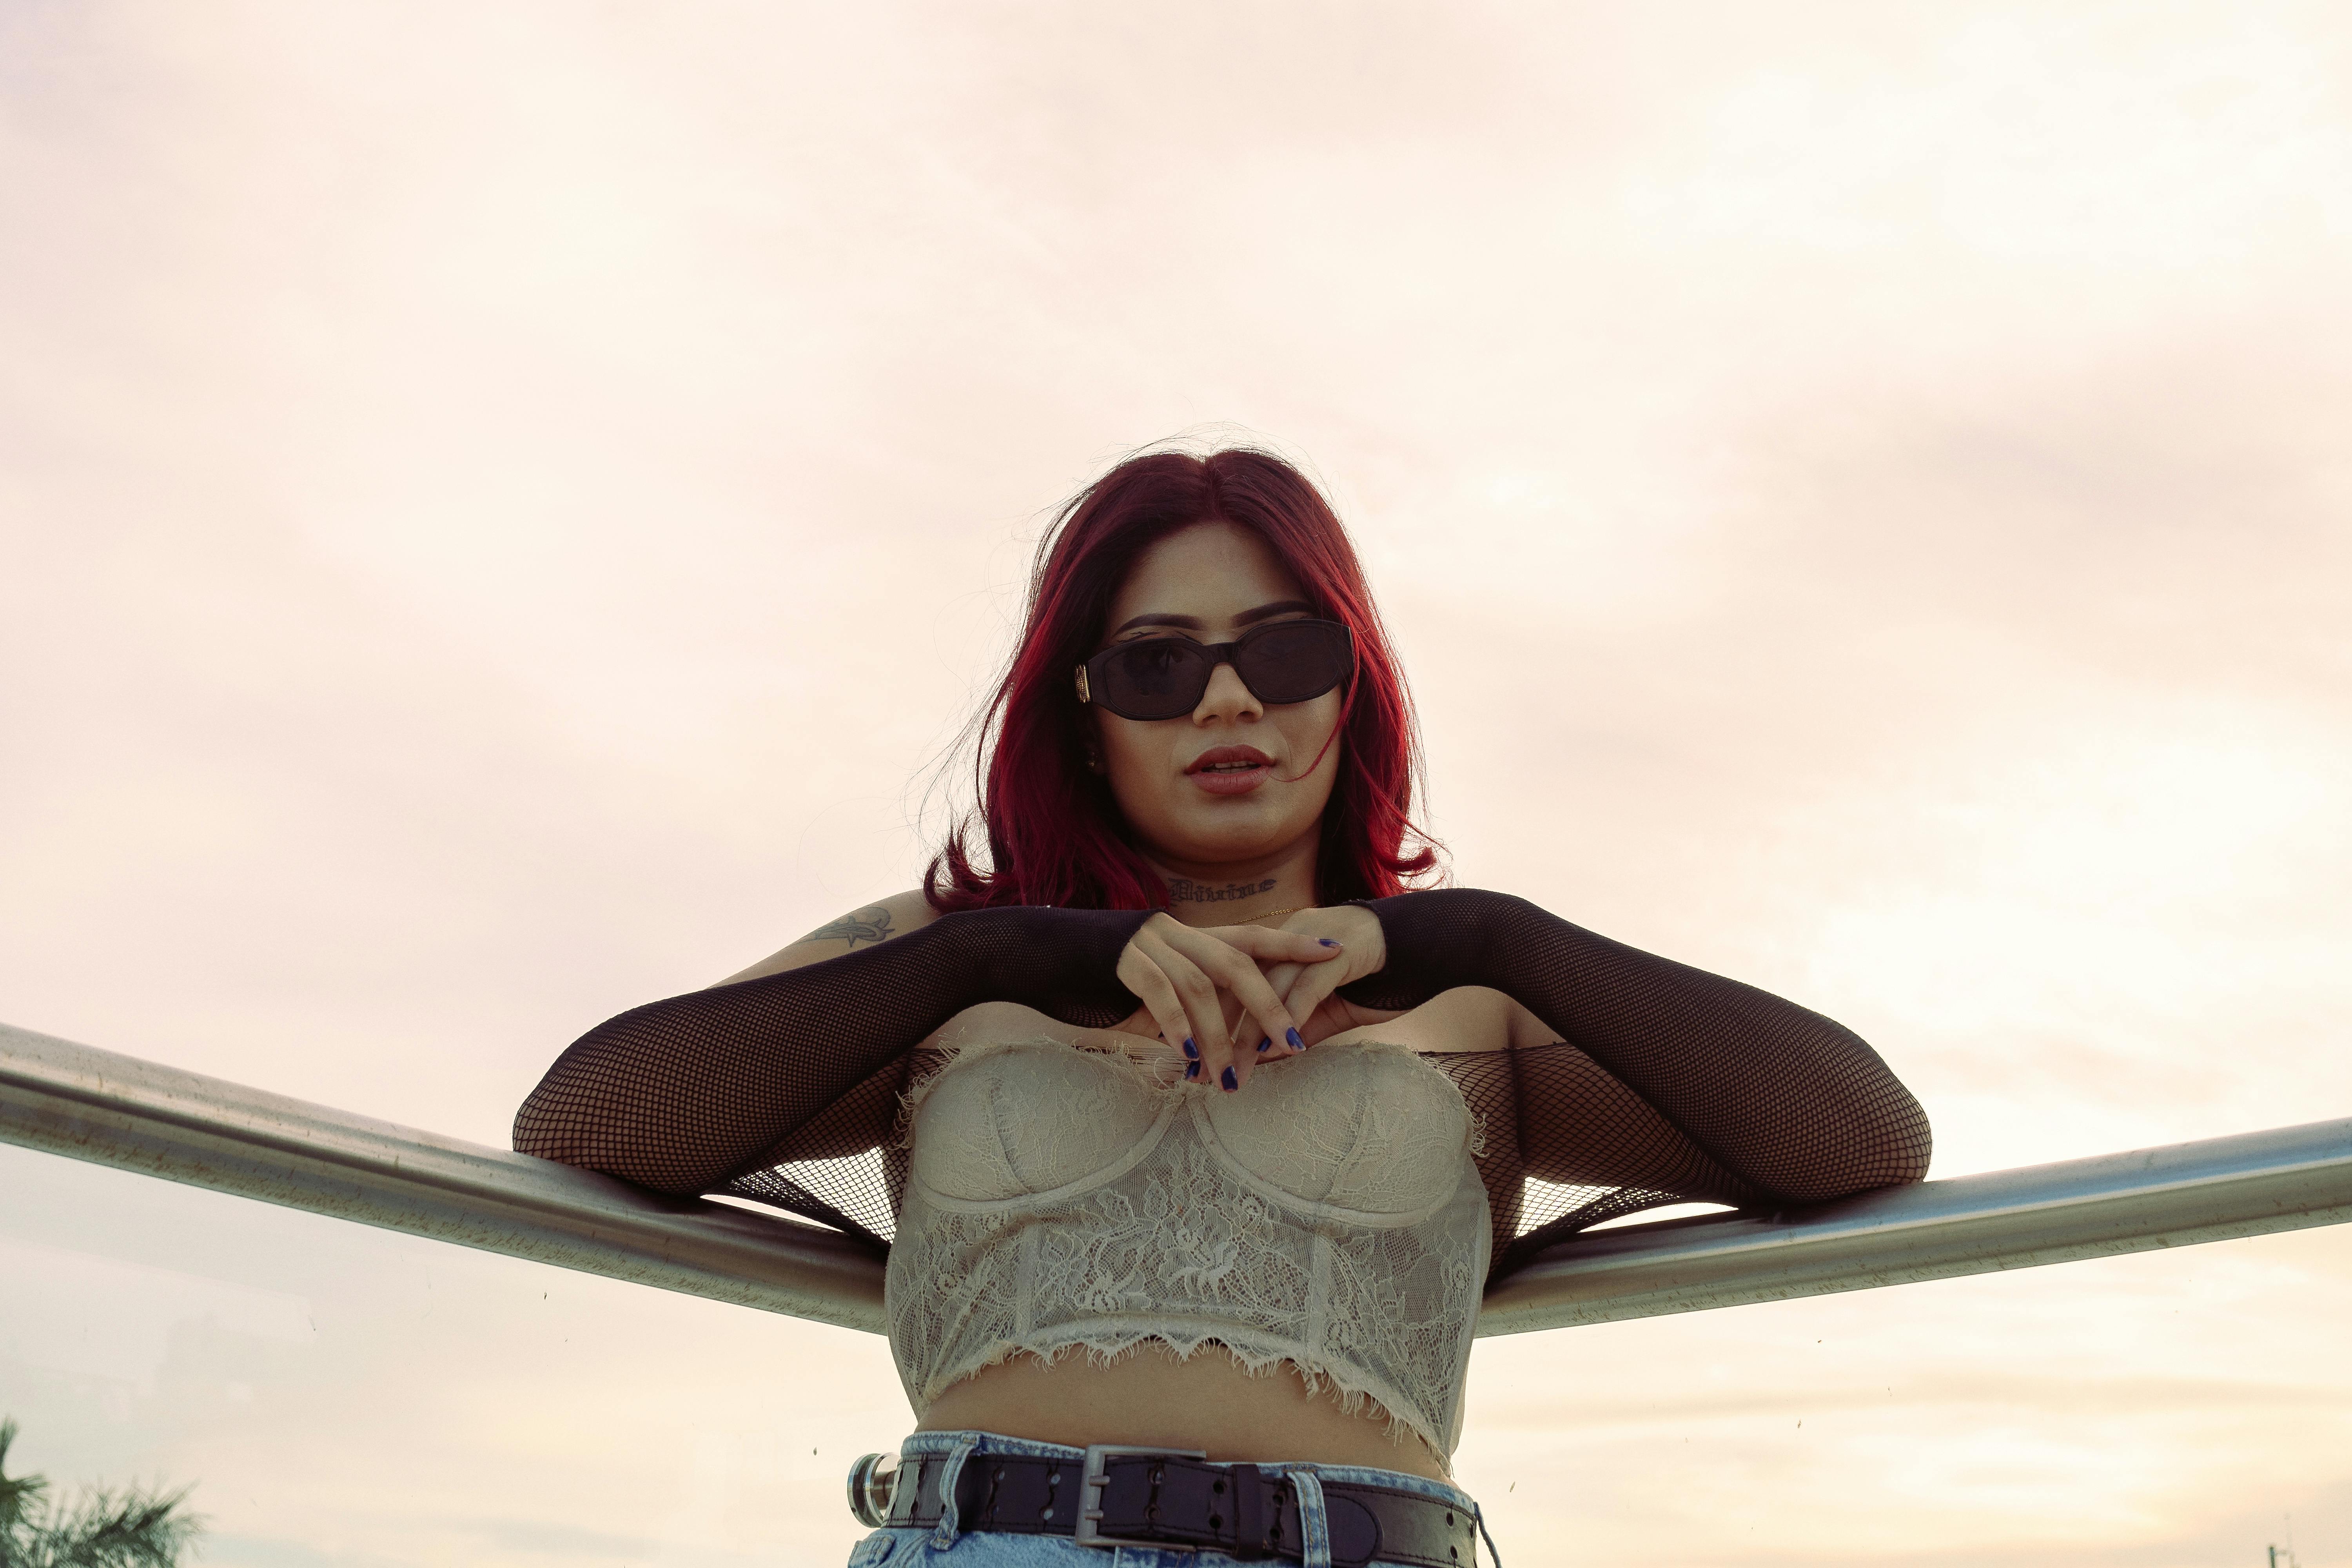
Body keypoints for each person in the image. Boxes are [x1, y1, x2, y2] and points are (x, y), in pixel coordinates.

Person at [514, 446, 1933, 1567]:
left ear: (1351, 685)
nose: (1228, 699)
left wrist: (1493, 935)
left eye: (1287, 650)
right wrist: (1002, 953)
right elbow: (587, 1119)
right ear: (1083, 707)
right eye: (1159, 662)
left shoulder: (1483, 998)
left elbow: (1858, 1140)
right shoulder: (934, 956)